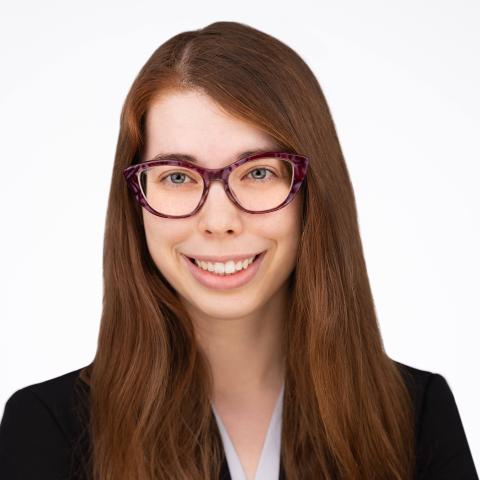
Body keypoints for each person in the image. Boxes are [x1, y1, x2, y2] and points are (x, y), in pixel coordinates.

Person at [0, 21, 477, 480]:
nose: (220, 221)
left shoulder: (417, 416)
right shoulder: (47, 429)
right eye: (178, 177)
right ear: (136, 202)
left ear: (313, 192)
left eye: (259, 172)